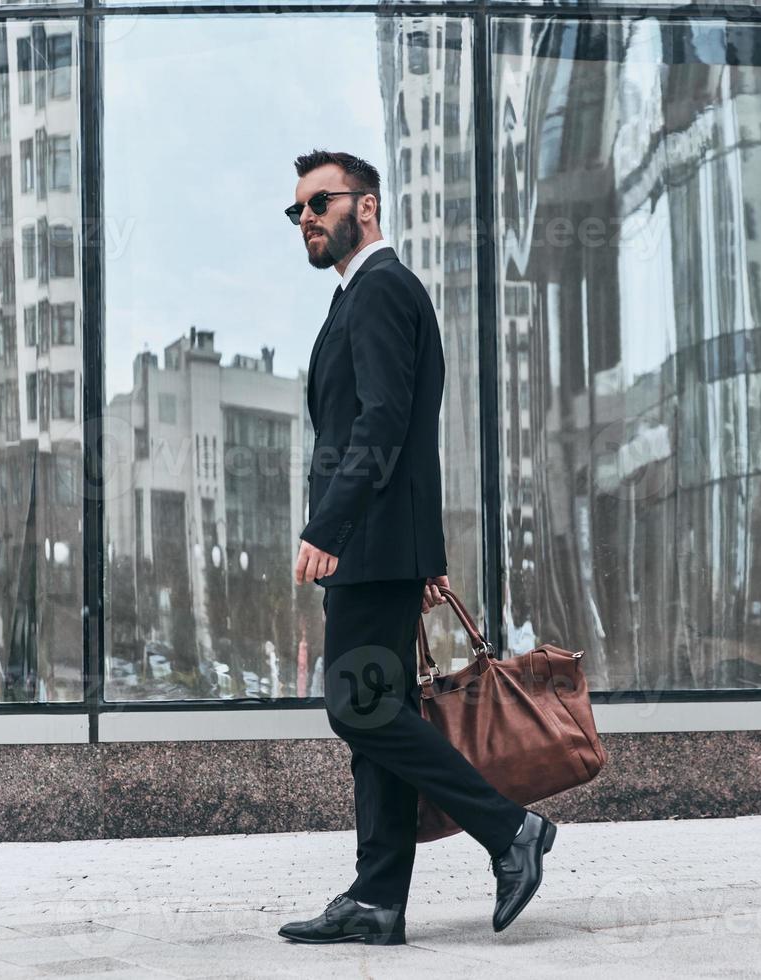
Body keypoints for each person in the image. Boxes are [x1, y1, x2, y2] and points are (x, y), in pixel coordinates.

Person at [281, 149, 556, 946]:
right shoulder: (363, 296)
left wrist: (328, 529)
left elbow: (383, 422)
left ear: (364, 207)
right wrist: (427, 553)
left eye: (318, 202)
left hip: (364, 546)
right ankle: (376, 899)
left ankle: (512, 832)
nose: (305, 218)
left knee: (358, 711)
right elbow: (413, 429)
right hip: (385, 546)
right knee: (382, 714)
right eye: (296, 209)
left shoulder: (379, 289)